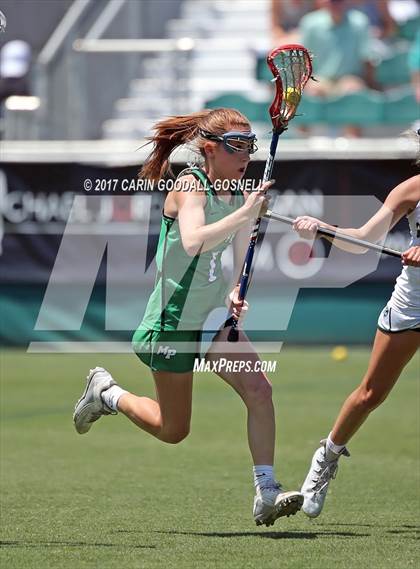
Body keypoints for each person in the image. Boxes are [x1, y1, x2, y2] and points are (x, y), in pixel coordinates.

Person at [73, 108, 304, 526]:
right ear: (210, 149)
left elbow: (231, 246)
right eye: (238, 146)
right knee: (173, 429)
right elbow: (196, 241)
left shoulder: (234, 192)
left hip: (212, 316)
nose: (247, 154)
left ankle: (266, 490)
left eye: (251, 145)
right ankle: (107, 393)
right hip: (173, 320)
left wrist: (234, 290)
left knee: (259, 390)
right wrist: (245, 213)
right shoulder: (189, 185)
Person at [293, 157, 420, 517]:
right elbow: (364, 240)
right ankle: (327, 456)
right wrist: (322, 229)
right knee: (370, 394)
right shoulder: (411, 189)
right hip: (412, 306)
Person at [299, 0, 379, 136]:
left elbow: (367, 59)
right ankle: (304, 144)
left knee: (353, 91)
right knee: (309, 94)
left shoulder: (360, 22)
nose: (335, 3)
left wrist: (371, 85)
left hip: (349, 79)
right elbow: (303, 59)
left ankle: (353, 146)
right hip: (319, 80)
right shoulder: (310, 23)